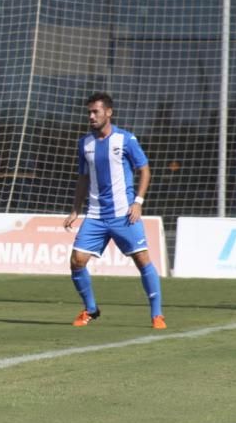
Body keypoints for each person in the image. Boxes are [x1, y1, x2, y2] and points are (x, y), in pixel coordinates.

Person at [63, 92, 165, 329]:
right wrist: (75, 209)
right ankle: (90, 309)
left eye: (95, 111)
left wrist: (138, 201)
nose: (91, 116)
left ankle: (157, 315)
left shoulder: (126, 139)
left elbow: (145, 169)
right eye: (89, 111)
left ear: (108, 112)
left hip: (124, 213)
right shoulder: (85, 143)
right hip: (96, 215)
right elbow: (83, 178)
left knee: (142, 260)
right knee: (77, 261)